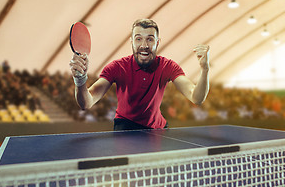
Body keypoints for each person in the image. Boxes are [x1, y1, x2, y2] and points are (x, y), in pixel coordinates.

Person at [69, 19, 210, 130]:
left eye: (150, 39)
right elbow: (87, 102)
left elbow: (196, 97)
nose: (144, 45)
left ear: (158, 42)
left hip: (157, 129)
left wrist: (204, 70)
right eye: (138, 39)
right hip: (125, 127)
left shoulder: (168, 66)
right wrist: (80, 80)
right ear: (131, 42)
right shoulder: (117, 67)